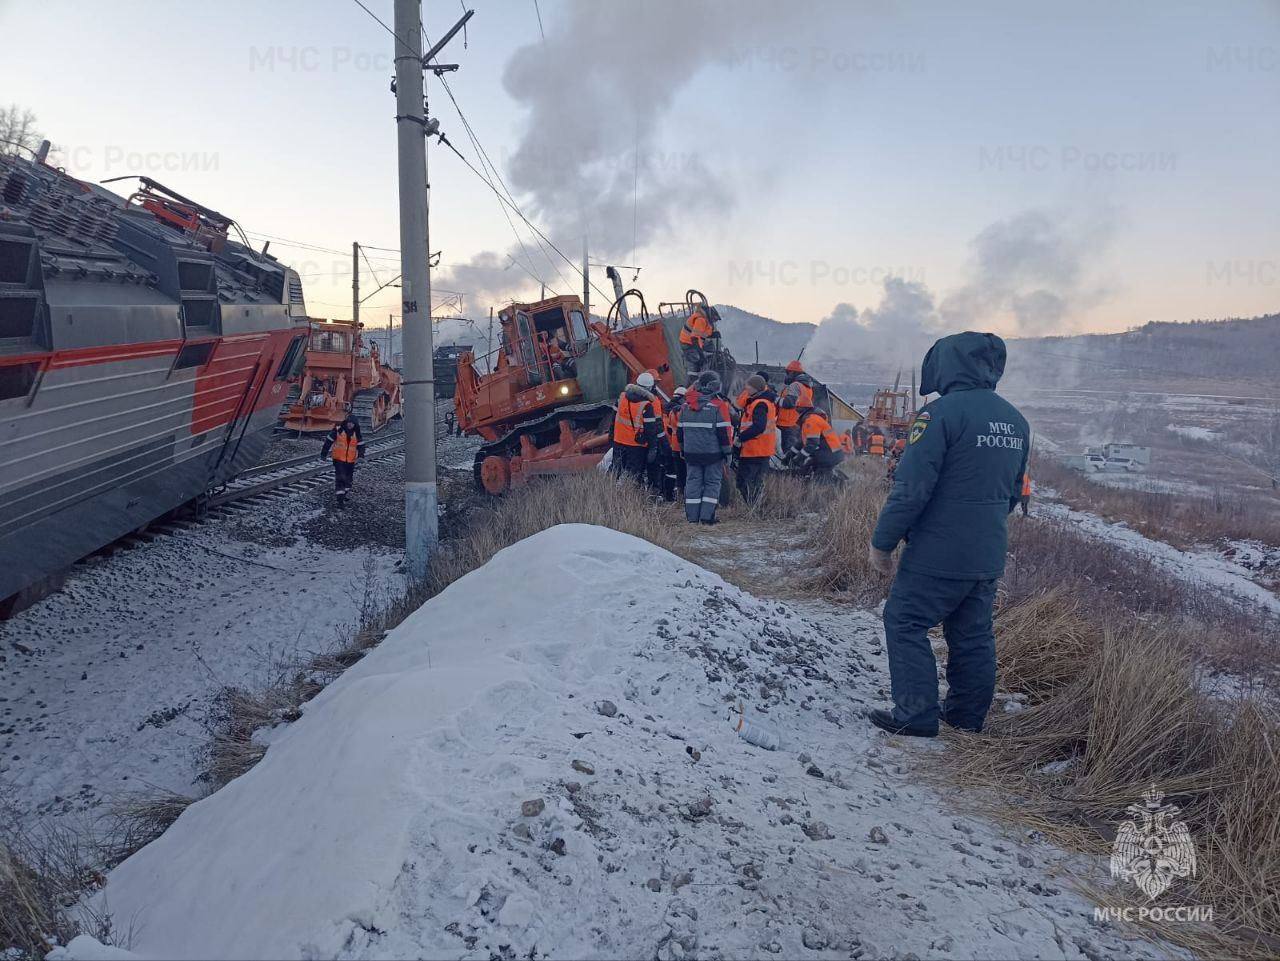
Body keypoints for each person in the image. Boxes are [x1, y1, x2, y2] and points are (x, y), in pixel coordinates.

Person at [866, 332, 1029, 738]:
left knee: (904, 620)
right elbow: (1012, 493)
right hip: (988, 552)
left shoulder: (939, 415)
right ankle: (966, 717)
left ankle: (915, 715)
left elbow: (911, 490)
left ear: (946, 364)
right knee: (972, 634)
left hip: (937, 553)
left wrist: (883, 543)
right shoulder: (1015, 421)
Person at [677, 370, 733, 524]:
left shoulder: (685, 407)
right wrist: (728, 453)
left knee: (693, 483)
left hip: (691, 454)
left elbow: (679, 432)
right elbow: (724, 433)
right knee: (712, 484)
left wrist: (683, 449)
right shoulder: (719, 406)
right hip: (713, 455)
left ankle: (692, 519)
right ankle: (707, 518)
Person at [734, 374, 777, 505]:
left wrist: (740, 438)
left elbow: (759, 426)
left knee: (747, 482)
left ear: (755, 388)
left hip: (755, 450)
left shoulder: (760, 404)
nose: (746, 388)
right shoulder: (762, 402)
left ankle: (753, 508)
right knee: (751, 482)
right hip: (760, 449)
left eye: (749, 386)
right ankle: (754, 508)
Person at [611, 371, 659, 483]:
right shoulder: (647, 405)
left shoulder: (622, 397)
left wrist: (611, 437)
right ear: (650, 388)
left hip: (619, 440)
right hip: (636, 445)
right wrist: (653, 448)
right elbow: (650, 430)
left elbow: (613, 419)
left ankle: (610, 492)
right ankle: (632, 495)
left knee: (615, 470)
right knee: (634, 474)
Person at [320, 413, 366, 508]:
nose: (350, 424)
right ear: (346, 422)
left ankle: (343, 494)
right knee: (341, 478)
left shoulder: (357, 434)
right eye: (349, 422)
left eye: (352, 423)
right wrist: (323, 454)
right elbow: (328, 442)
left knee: (348, 481)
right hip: (339, 459)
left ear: (355, 425)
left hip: (350, 461)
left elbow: (361, 446)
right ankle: (340, 500)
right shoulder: (338, 430)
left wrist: (361, 456)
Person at [796, 407, 846, 483]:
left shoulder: (811, 420)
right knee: (807, 468)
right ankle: (839, 480)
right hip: (832, 454)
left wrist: (799, 458)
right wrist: (790, 455)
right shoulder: (815, 419)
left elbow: (812, 444)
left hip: (829, 455)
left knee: (819, 479)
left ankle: (839, 484)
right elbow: (801, 443)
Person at [776, 360, 814, 455]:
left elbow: (789, 403)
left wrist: (774, 399)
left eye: (788, 372)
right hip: (796, 422)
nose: (787, 375)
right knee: (794, 449)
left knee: (788, 450)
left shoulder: (795, 385)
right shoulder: (807, 387)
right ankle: (793, 468)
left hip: (788, 423)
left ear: (793, 372)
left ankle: (790, 468)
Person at [678, 305, 717, 374]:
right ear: (711, 315)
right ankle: (695, 374)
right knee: (697, 358)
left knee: (711, 348)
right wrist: (701, 353)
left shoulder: (706, 321)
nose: (714, 321)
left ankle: (708, 365)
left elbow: (702, 334)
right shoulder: (701, 320)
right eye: (714, 319)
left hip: (695, 341)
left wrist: (713, 334)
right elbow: (694, 338)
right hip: (687, 343)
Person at [665, 386, 688, 495]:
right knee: (687, 473)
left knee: (679, 473)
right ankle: (686, 497)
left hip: (674, 446)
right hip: (684, 447)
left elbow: (670, 430)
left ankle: (679, 497)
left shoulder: (670, 412)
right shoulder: (682, 411)